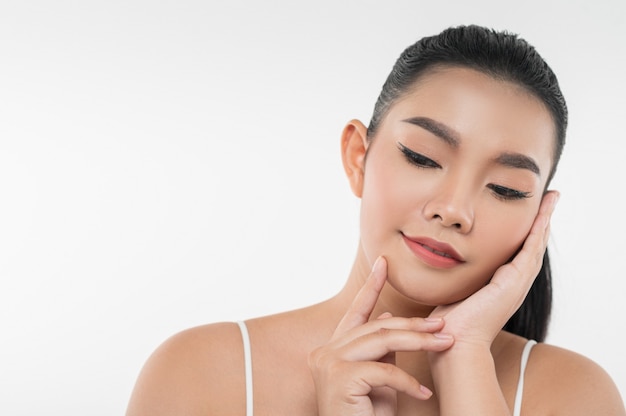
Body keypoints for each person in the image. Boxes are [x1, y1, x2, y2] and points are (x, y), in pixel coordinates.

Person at [125, 25, 625, 415]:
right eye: (424, 158)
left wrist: (466, 358)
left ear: (538, 215)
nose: (453, 210)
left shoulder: (576, 396)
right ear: (358, 156)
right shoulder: (200, 373)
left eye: (505, 189)